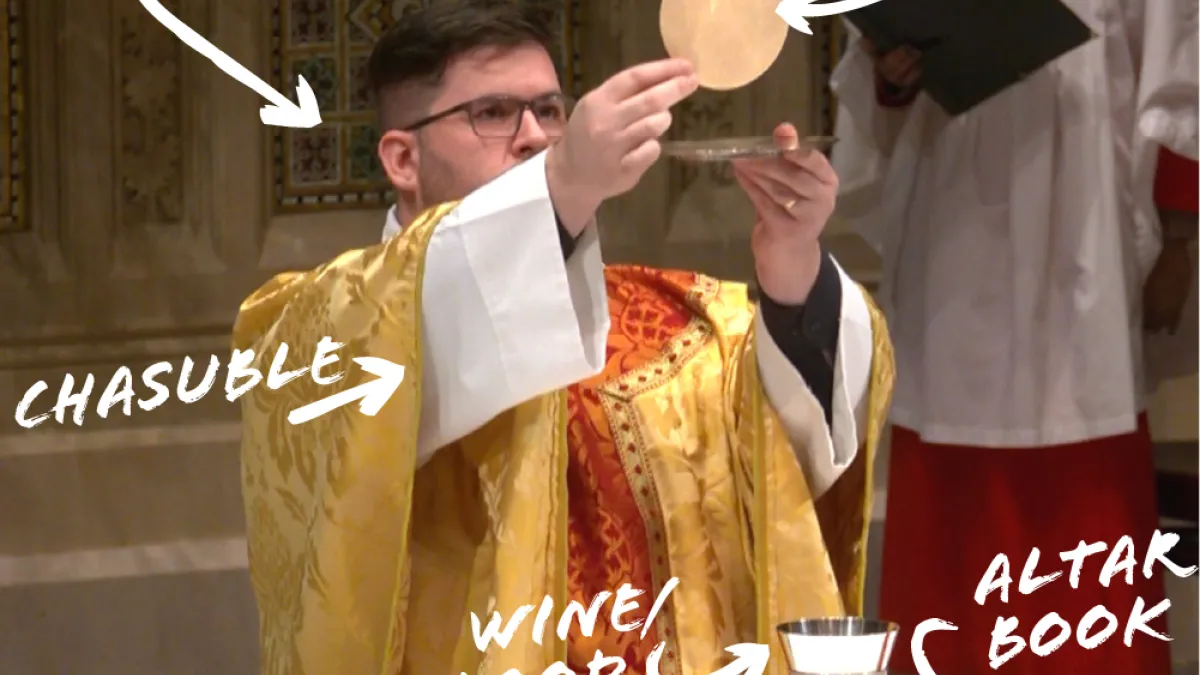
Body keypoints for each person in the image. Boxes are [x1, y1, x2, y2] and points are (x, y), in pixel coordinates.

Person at [233, 2, 894, 674]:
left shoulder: (679, 323)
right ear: (404, 158)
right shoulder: (316, 332)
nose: (534, 137)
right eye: (492, 114)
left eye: (550, 113)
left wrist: (792, 266)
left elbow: (801, 458)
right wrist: (564, 184)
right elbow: (414, 322)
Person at [829, 1, 1197, 673]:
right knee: (953, 495)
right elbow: (869, 81)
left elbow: (1180, 64)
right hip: (953, 229)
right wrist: (895, 76)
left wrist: (1178, 233)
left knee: (1085, 473)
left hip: (1085, 228)